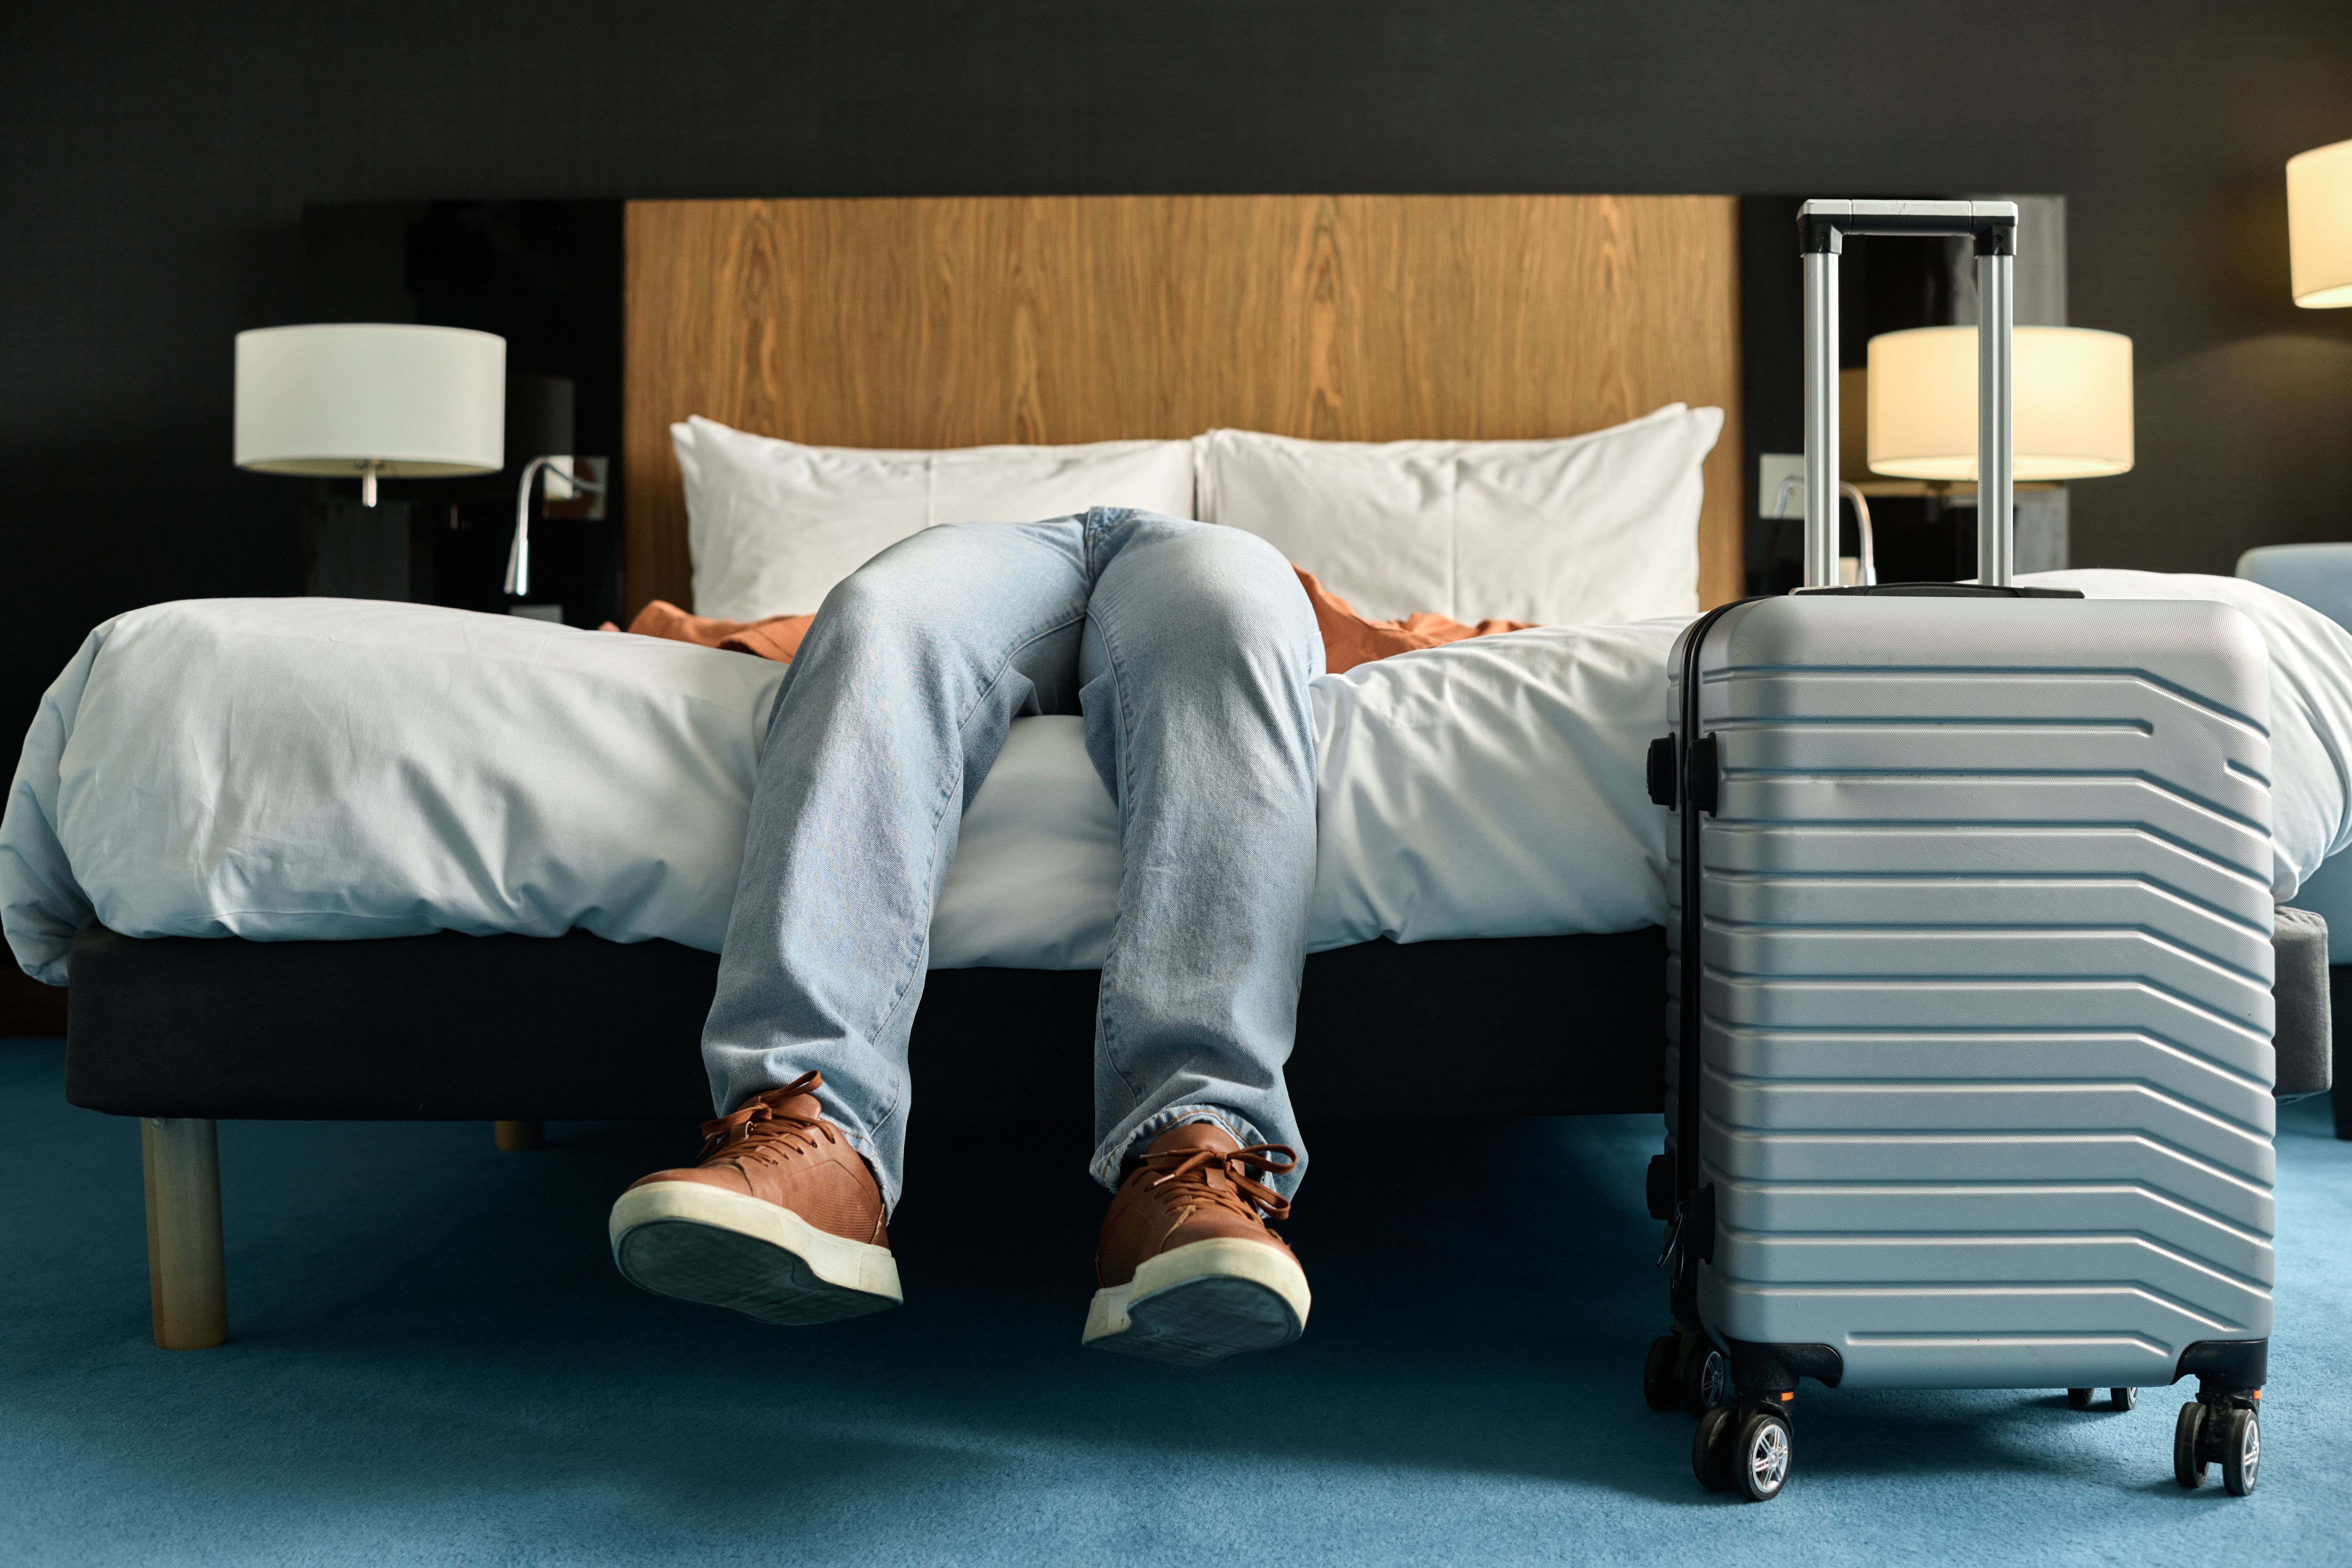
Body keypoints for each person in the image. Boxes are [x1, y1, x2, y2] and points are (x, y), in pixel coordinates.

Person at [605, 507, 1322, 1367]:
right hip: (1001, 545)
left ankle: (1194, 1156)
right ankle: (808, 1133)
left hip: (1191, 547)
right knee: (877, 616)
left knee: (1230, 621)